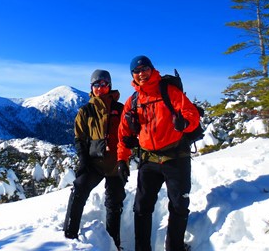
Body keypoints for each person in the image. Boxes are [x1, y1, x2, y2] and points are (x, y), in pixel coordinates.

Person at [117, 55, 200, 251]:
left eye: (144, 69)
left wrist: (185, 124)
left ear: (152, 69)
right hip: (149, 160)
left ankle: (175, 247)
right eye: (136, 72)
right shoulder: (133, 101)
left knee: (179, 205)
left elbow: (191, 114)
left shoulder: (169, 91)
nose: (141, 74)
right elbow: (123, 133)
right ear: (133, 76)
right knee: (141, 208)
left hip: (175, 157)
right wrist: (122, 159)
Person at [64, 69, 129, 250]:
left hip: (116, 163)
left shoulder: (120, 109)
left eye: (104, 84)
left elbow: (129, 133)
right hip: (94, 163)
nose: (100, 88)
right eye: (96, 85)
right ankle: (69, 236)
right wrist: (83, 161)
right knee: (78, 190)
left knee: (114, 204)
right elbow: (80, 138)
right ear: (91, 88)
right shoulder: (86, 111)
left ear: (109, 86)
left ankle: (113, 243)